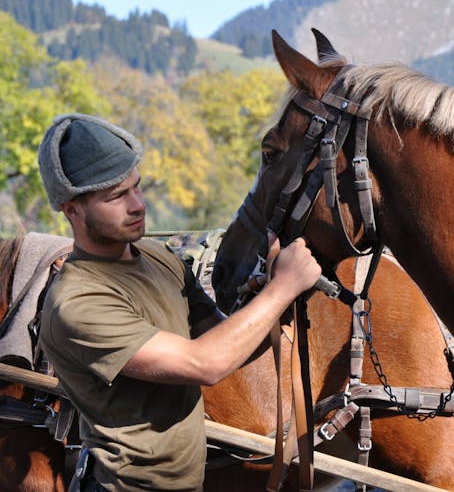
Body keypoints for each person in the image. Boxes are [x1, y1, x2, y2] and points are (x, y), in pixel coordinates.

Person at [37, 113, 321, 492]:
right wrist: (281, 288)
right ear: (72, 209)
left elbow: (223, 341)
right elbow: (205, 363)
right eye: (117, 196)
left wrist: (261, 297)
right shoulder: (76, 303)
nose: (137, 205)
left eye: (137, 188)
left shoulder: (158, 258)